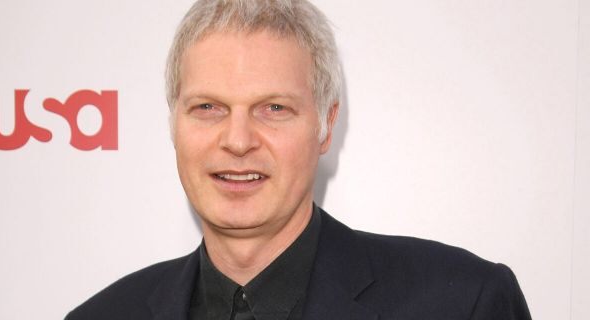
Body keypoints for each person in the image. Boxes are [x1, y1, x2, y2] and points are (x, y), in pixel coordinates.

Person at [66, 0, 532, 319]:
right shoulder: (101, 315)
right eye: (208, 107)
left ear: (325, 125)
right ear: (174, 124)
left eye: (274, 108)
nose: (238, 140)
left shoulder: (462, 304)